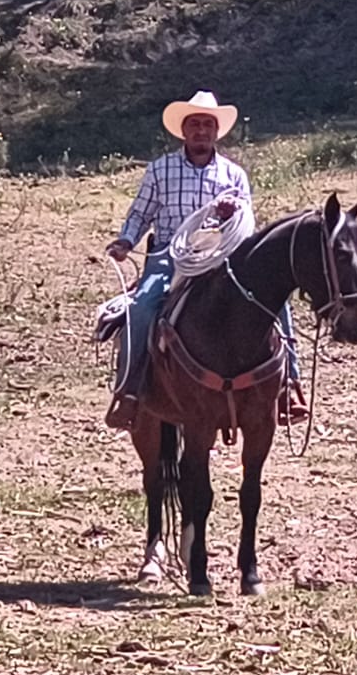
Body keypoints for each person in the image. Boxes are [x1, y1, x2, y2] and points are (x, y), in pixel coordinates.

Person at [103, 90, 308, 431]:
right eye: (195, 124)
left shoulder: (233, 175)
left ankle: (289, 386)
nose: (201, 131)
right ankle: (131, 389)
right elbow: (141, 213)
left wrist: (230, 217)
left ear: (216, 132)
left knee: (277, 305)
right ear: (184, 130)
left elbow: (246, 224)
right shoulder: (160, 170)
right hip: (171, 254)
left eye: (207, 125)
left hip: (223, 257)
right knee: (141, 307)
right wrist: (127, 240)